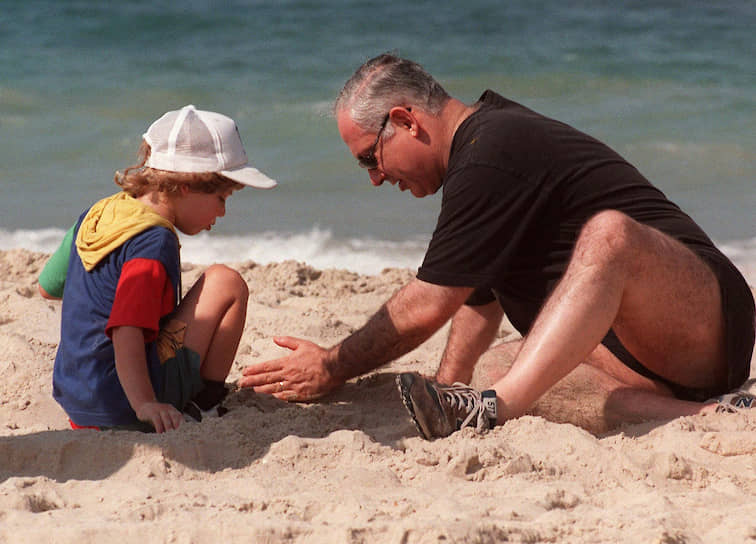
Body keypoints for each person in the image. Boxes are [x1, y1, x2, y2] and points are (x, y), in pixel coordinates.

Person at [239, 53, 755, 439]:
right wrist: (448, 384)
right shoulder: (481, 156)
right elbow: (477, 297)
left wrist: (331, 364)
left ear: (405, 121)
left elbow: (430, 301)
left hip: (704, 319)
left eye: (369, 159)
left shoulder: (493, 147)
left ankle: (496, 407)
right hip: (645, 358)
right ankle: (707, 415)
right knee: (497, 369)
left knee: (609, 234)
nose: (375, 178)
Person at [39, 105, 276, 433]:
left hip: (78, 400)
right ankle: (203, 403)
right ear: (186, 185)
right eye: (222, 198)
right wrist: (144, 405)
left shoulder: (96, 214)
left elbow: (48, 287)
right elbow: (126, 330)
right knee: (227, 283)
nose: (222, 212)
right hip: (123, 405)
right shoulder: (153, 242)